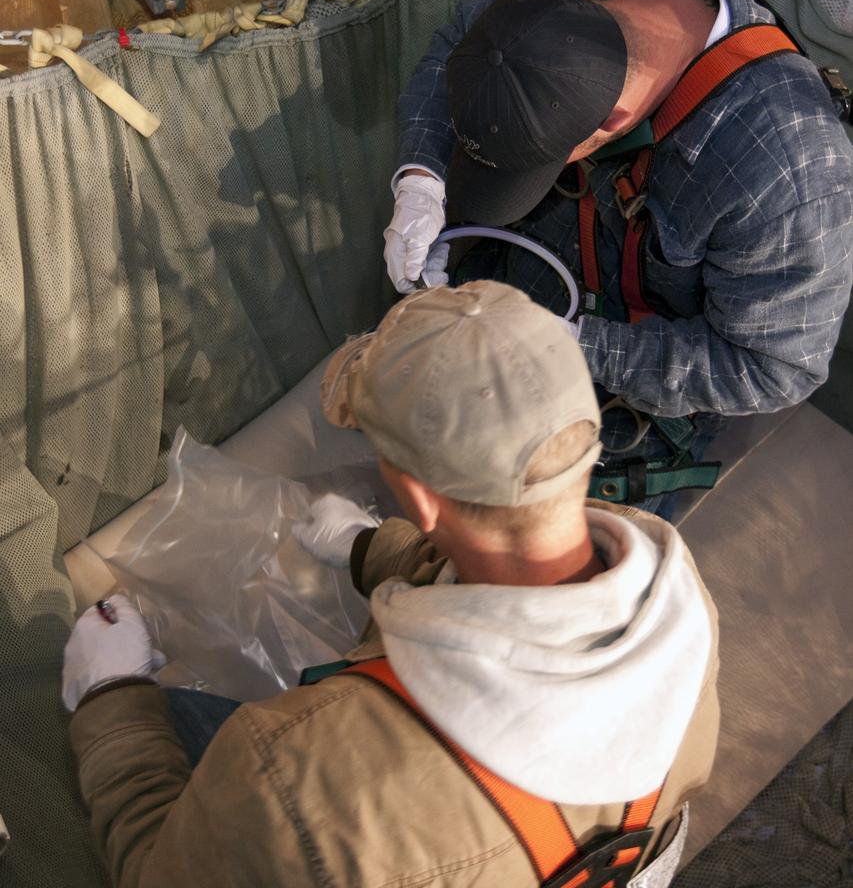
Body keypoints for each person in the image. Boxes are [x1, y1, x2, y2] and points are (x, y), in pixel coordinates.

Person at [63, 281, 719, 888]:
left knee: (167, 716)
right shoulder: (682, 608)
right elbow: (527, 589)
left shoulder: (290, 771)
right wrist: (371, 548)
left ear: (419, 499)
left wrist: (111, 699)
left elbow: (160, 873)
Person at [385, 0, 853, 501]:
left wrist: (572, 342)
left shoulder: (789, 170)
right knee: (415, 434)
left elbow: (773, 369)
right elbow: (464, 39)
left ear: (613, 123)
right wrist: (422, 175)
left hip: (633, 383)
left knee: (525, 523)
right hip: (523, 280)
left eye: (533, 163)